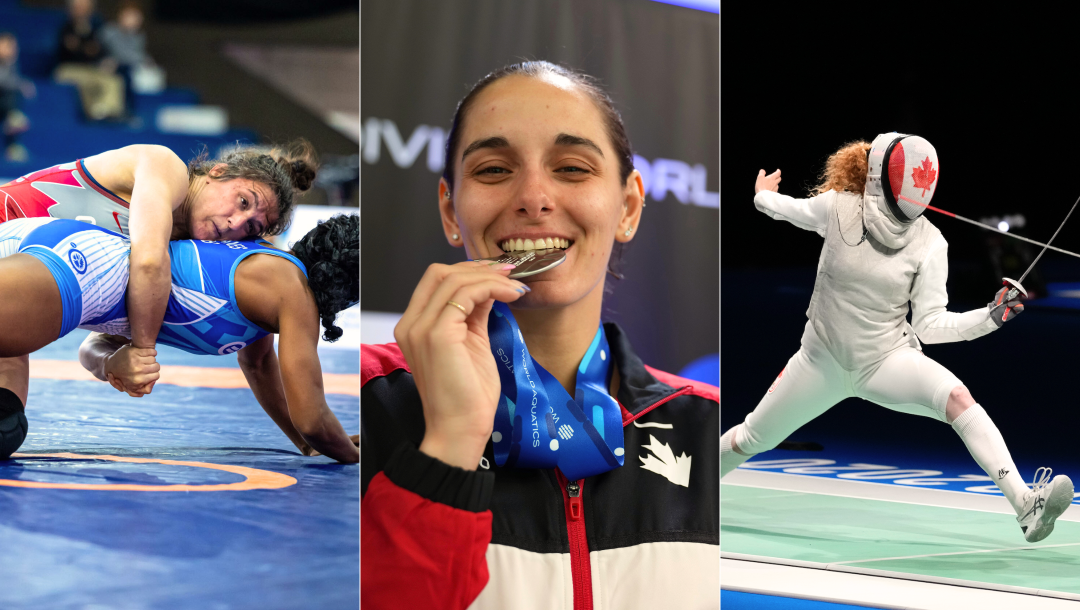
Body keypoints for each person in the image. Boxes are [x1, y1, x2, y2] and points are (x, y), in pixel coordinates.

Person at [360, 61, 719, 609]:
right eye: (493, 170)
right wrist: (451, 441)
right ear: (451, 210)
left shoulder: (712, 429)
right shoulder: (362, 401)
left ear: (627, 207)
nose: (533, 196)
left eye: (573, 168)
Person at [721, 134, 1074, 543]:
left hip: (885, 360)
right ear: (879, 177)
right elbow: (784, 209)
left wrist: (989, 318)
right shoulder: (837, 208)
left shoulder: (930, 242)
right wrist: (763, 195)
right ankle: (691, 484)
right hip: (819, 361)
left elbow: (929, 324)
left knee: (958, 399)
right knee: (752, 437)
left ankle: (1026, 504)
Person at [0, 140, 316, 456]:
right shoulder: (165, 166)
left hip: (16, 287)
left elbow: (95, 344)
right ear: (217, 173)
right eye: (243, 201)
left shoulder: (181, 257)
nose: (234, 223)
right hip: (8, 231)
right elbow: (149, 261)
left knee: (7, 427)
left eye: (250, 227)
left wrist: (307, 440)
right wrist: (143, 347)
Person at [0, 214, 359, 463]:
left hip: (59, 251)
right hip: (75, 261)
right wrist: (350, 453)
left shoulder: (272, 273)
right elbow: (313, 418)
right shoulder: (294, 292)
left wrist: (307, 444)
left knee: (7, 429)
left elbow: (261, 364)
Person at [54, 0, 125, 121]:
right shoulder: (65, 28)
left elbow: (98, 52)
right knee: (87, 82)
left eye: (86, 8)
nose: (83, 11)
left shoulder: (94, 30)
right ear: (71, 10)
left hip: (90, 69)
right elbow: (73, 51)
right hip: (68, 69)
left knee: (113, 81)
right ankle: (92, 114)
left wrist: (105, 61)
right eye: (79, 7)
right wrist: (87, 50)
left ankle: (109, 113)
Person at [0, 32, 36, 163]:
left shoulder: (11, 64)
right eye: (8, 46)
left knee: (13, 95)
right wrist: (21, 85)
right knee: (11, 92)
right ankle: (13, 116)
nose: (13, 50)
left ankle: (12, 146)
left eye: (14, 46)